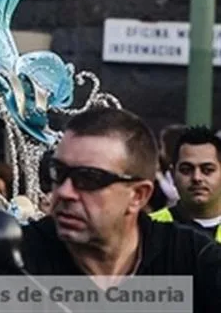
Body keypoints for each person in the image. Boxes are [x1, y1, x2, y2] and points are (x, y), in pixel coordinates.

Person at [15, 108, 221, 307]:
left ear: (138, 195)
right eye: (58, 172)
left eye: (89, 178)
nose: (64, 192)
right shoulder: (17, 259)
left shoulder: (192, 259)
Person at [151, 126, 221, 241]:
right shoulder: (149, 229)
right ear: (172, 175)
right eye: (186, 170)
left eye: (207, 170)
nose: (197, 178)